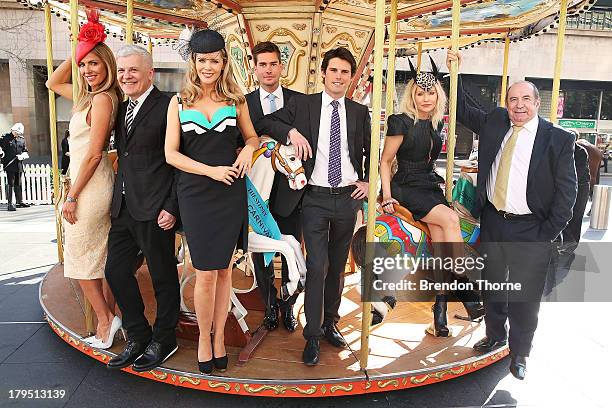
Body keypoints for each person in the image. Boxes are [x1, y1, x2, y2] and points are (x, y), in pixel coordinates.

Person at [447, 49, 577, 380]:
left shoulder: (558, 140)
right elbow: (462, 108)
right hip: (493, 221)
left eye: (525, 99)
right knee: (491, 286)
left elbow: (567, 194)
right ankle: (495, 335)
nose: (518, 105)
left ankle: (519, 354)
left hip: (530, 229)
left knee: (524, 298)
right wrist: (455, 71)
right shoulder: (496, 122)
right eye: (512, 99)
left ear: (536, 103)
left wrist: (546, 233)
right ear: (506, 103)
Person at [256, 47, 371, 366]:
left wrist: (367, 181)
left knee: (337, 266)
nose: (338, 77)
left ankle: (331, 323)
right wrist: (291, 131)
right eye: (333, 70)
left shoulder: (359, 111)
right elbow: (266, 122)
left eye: (345, 72)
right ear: (323, 73)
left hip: (348, 196)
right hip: (315, 197)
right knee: (317, 265)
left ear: (350, 77)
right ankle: (313, 335)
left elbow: (369, 151)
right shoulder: (304, 104)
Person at [165, 29, 259, 375]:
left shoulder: (236, 99)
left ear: (223, 63)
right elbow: (171, 155)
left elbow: (251, 136)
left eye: (214, 60)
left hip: (229, 192)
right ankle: (204, 339)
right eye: (202, 60)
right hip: (196, 193)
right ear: (193, 62)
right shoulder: (179, 102)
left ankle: (220, 338)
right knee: (205, 273)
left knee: (223, 272)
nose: (208, 66)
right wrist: (210, 171)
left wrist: (250, 148)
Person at [379, 57, 483, 338]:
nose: (426, 98)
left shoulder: (436, 124)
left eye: (431, 92)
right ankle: (465, 285)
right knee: (449, 218)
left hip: (429, 186)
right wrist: (387, 196)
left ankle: (439, 314)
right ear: (412, 96)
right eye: (420, 93)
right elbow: (386, 161)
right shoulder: (400, 122)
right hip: (407, 188)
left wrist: (455, 69)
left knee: (440, 242)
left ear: (439, 94)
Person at [45, 10, 122, 349]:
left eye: (95, 63)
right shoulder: (87, 98)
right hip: (84, 184)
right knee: (89, 258)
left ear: (108, 66)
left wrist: (73, 194)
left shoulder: (104, 99)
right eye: (84, 64)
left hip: (90, 187)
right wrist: (82, 46)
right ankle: (109, 318)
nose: (88, 70)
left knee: (80, 260)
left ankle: (106, 319)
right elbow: (51, 82)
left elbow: (94, 154)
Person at [103, 45, 181, 372]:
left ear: (150, 73)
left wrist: (171, 206)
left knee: (163, 276)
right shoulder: (120, 107)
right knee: (116, 271)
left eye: (133, 70)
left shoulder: (169, 105)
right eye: (121, 71)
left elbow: (180, 162)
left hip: (156, 208)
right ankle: (138, 334)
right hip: (123, 206)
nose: (126, 76)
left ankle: (164, 339)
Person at [246, 41, 304, 332]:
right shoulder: (244, 103)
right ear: (254, 68)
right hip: (258, 193)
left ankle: (289, 306)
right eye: (262, 64)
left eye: (273, 64)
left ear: (282, 67)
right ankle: (269, 306)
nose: (268, 70)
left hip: (291, 192)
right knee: (263, 254)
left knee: (291, 249)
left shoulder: (299, 101)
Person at [560, 130, 589, 253]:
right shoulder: (563, 149)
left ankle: (572, 244)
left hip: (581, 187)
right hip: (567, 186)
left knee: (577, 216)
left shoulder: (581, 151)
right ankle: (567, 241)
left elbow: (578, 171)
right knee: (563, 215)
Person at [1, 123, 30, 211]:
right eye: (16, 132)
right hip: (9, 165)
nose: (17, 134)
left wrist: (23, 155)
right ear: (12, 130)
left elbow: (25, 150)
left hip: (19, 165)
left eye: (19, 133)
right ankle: (10, 204)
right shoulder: (5, 138)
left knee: (18, 183)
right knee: (11, 184)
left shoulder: (22, 140)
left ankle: (19, 201)